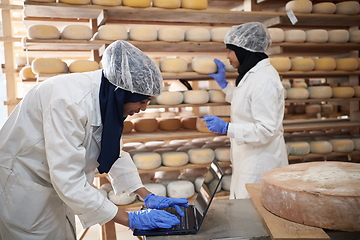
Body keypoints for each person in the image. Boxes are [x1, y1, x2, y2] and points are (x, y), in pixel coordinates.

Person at [0, 40, 188, 240]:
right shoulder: (68, 102)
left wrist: (145, 194)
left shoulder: (107, 97)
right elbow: (68, 179)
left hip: (51, 186)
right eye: (141, 101)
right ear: (123, 94)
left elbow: (111, 151)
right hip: (25, 187)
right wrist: (131, 219)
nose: (143, 108)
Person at [203, 22, 288, 199]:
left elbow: (266, 130)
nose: (227, 56)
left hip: (261, 164)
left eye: (229, 50)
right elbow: (247, 101)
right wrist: (225, 86)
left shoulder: (264, 80)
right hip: (249, 160)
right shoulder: (252, 75)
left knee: (252, 216)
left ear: (244, 49)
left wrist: (227, 128)